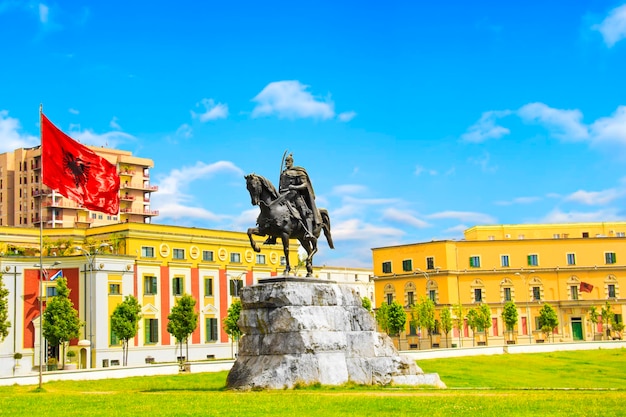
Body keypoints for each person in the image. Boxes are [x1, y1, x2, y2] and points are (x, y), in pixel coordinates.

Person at [265, 153, 320, 244]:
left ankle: (309, 232)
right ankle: (272, 236)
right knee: (272, 211)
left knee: (304, 212)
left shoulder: (299, 172)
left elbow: (305, 185)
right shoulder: (283, 173)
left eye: (288, 161)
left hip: (294, 195)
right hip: (282, 196)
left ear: (292, 162)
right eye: (286, 161)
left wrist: (294, 187)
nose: (286, 163)